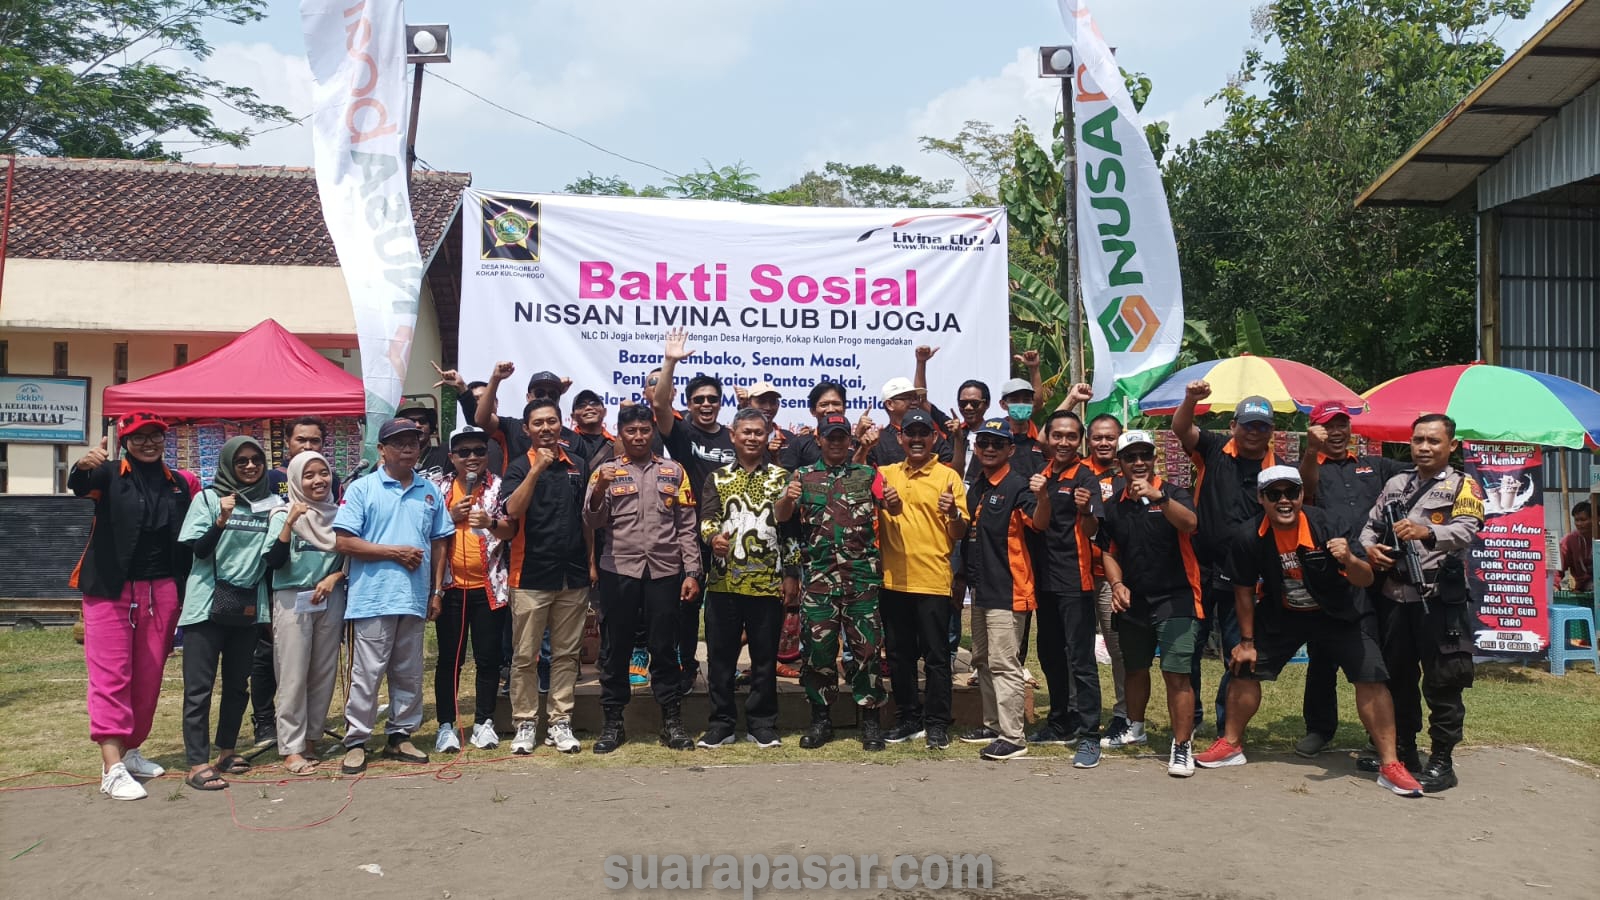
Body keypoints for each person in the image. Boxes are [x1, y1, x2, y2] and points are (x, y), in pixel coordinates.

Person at [1196, 466, 1425, 797]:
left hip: (1341, 612)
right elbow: (1243, 591)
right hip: (1284, 614)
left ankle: (1390, 764)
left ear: (1303, 495)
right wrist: (1246, 642)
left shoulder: (1328, 524)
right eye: (1274, 495)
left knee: (1371, 676)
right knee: (1243, 666)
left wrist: (1348, 557)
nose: (1284, 501)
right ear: (1261, 499)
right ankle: (1230, 744)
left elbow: (1366, 579)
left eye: (1292, 493)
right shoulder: (1248, 537)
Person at [69, 411, 196, 800]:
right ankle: (111, 767)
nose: (148, 443)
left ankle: (132, 749)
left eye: (155, 436)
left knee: (149, 677)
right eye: (139, 437)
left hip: (162, 591)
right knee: (111, 676)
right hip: (110, 590)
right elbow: (79, 484)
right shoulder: (107, 474)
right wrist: (81, 465)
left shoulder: (182, 483)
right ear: (124, 440)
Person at [1360, 414, 1485, 792]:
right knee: (1397, 677)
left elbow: (1468, 529)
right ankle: (1404, 751)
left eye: (1433, 441)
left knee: (1443, 680)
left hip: (1437, 599)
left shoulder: (1464, 485)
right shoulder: (1397, 483)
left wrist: (1426, 531)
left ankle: (1442, 761)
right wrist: (1370, 550)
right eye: (1418, 440)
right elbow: (1371, 524)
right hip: (1395, 598)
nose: (1425, 447)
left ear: (1451, 446)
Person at [331, 418, 454, 775]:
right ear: (381, 450)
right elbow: (344, 541)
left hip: (415, 598)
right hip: (373, 597)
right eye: (397, 443)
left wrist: (436, 590)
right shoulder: (362, 489)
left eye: (413, 442)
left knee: (409, 672)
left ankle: (401, 734)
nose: (407, 448)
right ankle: (356, 740)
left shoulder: (429, 490)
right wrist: (393, 553)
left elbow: (440, 540)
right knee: (367, 672)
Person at [1296, 399, 1411, 759]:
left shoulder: (1374, 466)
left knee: (1384, 657)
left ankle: (1380, 733)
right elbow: (1305, 488)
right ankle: (1319, 729)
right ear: (1314, 430)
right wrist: (1310, 451)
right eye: (1327, 426)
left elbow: (1418, 473)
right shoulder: (1308, 468)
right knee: (1323, 656)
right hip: (1333, 576)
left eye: (1341, 425)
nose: (1336, 432)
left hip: (1382, 574)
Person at [584, 404, 703, 752]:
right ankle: (613, 723)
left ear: (653, 432)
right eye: (631, 431)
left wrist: (692, 571)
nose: (638, 437)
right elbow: (592, 523)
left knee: (665, 648)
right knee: (615, 648)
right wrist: (598, 490)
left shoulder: (674, 471)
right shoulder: (604, 473)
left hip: (665, 571)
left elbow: (687, 527)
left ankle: (671, 721)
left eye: (644, 430)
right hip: (619, 569)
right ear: (620, 434)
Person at [776, 412, 890, 751]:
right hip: (819, 581)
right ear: (820, 439)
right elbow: (782, 517)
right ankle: (821, 720)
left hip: (861, 580)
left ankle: (870, 722)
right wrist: (788, 497)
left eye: (842, 436)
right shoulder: (803, 475)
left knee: (867, 651)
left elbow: (892, 508)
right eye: (830, 436)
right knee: (818, 653)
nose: (836, 441)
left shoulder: (868, 474)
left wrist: (894, 501)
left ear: (849, 440)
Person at [1172, 384, 1278, 735]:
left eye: (1262, 426)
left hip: (1247, 576)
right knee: (1191, 646)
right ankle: (1193, 715)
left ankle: (1225, 724)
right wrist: (1191, 400)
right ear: (1234, 425)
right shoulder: (1215, 447)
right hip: (1200, 568)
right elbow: (1180, 429)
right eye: (1248, 425)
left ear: (1271, 431)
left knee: (1238, 651)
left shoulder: (1277, 469)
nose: (1254, 432)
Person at [1096, 430, 1203, 777]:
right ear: (1120, 463)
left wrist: (1160, 499)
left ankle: (1182, 745)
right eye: (1131, 457)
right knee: (1135, 668)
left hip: (1176, 597)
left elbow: (1190, 523)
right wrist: (1117, 584)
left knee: (1176, 674)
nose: (1139, 462)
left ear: (1154, 459)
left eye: (1145, 456)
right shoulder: (1114, 506)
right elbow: (1108, 551)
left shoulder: (1173, 493)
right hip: (1135, 600)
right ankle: (1135, 727)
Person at [177, 436, 277, 791]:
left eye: (256, 460)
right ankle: (196, 762)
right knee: (199, 688)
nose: (250, 466)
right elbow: (199, 552)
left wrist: (287, 525)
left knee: (237, 685)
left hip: (248, 607)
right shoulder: (206, 499)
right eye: (242, 462)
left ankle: (227, 751)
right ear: (228, 465)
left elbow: (274, 561)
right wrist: (220, 519)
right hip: (205, 607)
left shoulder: (271, 504)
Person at [697, 408, 799, 749]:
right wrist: (714, 539)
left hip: (768, 582)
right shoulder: (718, 478)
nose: (752, 438)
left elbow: (791, 532)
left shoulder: (783, 479)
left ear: (768, 435)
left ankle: (762, 723)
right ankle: (721, 723)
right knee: (721, 658)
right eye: (746, 432)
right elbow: (707, 519)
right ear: (733, 435)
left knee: (764, 657)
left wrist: (791, 575)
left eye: (759, 432)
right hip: (725, 582)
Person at [500, 399, 593, 754]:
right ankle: (525, 723)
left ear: (561, 424)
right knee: (525, 656)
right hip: (530, 575)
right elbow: (511, 510)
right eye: (538, 423)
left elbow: (586, 519)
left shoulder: (579, 465)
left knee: (567, 655)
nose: (546, 428)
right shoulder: (518, 467)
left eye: (552, 421)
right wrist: (536, 470)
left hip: (573, 575)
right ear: (526, 429)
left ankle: (560, 722)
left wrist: (591, 562)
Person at [959, 417, 1051, 761]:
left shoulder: (1018, 486)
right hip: (981, 590)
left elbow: (1039, 524)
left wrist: (1043, 496)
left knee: (1003, 663)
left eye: (997, 443)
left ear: (1010, 449)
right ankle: (993, 724)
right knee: (981, 659)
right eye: (983, 442)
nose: (989, 448)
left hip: (1010, 590)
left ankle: (1013, 736)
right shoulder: (978, 486)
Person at [876, 408, 968, 750]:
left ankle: (937, 723)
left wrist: (953, 512)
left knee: (936, 657)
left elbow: (959, 532)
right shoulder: (884, 474)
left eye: (923, 434)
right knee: (898, 656)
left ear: (934, 438)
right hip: (893, 580)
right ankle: (908, 718)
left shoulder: (948, 477)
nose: (916, 440)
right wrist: (886, 504)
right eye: (910, 434)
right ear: (900, 438)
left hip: (932, 580)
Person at [653, 328, 736, 694]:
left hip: (729, 537)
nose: (706, 404)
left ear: (720, 403)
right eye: (699, 399)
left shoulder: (733, 436)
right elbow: (658, 407)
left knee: (726, 611)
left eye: (712, 399)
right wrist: (670, 360)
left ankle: (724, 670)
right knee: (686, 608)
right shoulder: (683, 433)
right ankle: (686, 667)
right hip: (689, 535)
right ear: (688, 403)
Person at [254, 415, 342, 752]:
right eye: (308, 475)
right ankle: (291, 748)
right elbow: (273, 561)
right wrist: (289, 522)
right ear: (294, 478)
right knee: (291, 675)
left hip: (330, 599)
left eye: (323, 473)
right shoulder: (281, 513)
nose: (318, 481)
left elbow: (349, 556)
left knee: (323, 673)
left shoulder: (338, 515)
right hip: (293, 600)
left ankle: (313, 738)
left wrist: (336, 575)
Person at [430, 430, 516, 754]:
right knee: (450, 661)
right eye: (463, 452)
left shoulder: (499, 486)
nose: (472, 458)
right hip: (451, 587)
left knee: (488, 659)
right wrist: (449, 518)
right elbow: (427, 534)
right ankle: (446, 726)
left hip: (489, 586)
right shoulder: (437, 489)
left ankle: (484, 723)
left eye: (479, 450)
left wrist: (491, 522)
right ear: (452, 457)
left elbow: (512, 530)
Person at [1028, 408, 1104, 768]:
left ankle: (1090, 735)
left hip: (1076, 581)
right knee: (1050, 655)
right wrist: (1042, 496)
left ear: (1080, 440)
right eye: (1057, 435)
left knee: (1081, 660)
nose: (1063, 442)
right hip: (1044, 581)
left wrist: (1087, 510)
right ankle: (1060, 721)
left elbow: (1092, 532)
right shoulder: (1041, 475)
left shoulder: (1085, 477)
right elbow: (1039, 527)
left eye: (1071, 436)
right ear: (1047, 437)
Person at [1082, 411, 1131, 744]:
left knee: (1119, 649)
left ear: (1120, 437)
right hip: (1075, 574)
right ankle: (1080, 711)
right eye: (1097, 437)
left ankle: (1124, 714)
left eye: (1109, 437)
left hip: (1112, 576)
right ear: (1089, 440)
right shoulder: (1076, 471)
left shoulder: (1130, 473)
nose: (1103, 443)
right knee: (1078, 650)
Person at [859, 377, 953, 468]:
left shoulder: (928, 434)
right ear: (890, 404)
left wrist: (958, 437)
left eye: (916, 398)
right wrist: (861, 442)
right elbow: (860, 475)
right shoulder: (876, 441)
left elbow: (952, 469)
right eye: (908, 398)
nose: (915, 402)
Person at [398, 405, 453, 481]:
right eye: (411, 421)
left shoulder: (446, 453)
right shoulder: (391, 460)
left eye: (422, 421)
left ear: (430, 426)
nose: (417, 425)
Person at [1558, 500, 1593, 592]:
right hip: (1582, 589)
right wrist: (1554, 585)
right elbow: (1558, 567)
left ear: (1596, 519)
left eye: (1583, 520)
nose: (1579, 524)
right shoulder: (1570, 540)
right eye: (1577, 520)